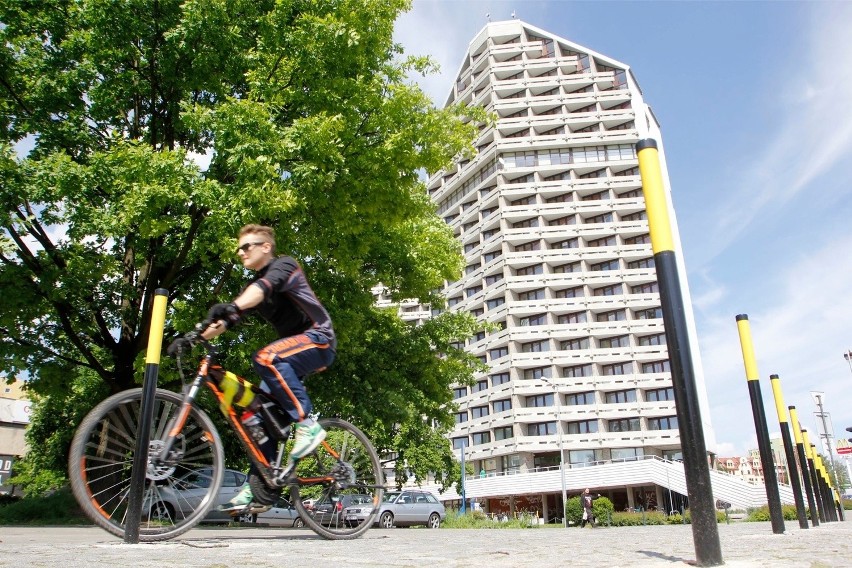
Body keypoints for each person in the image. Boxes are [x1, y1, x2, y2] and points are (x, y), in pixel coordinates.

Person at [189, 224, 336, 512]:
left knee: (266, 357)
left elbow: (261, 290)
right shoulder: (251, 288)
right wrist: (194, 336)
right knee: (254, 413)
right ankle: (261, 485)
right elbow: (229, 319)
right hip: (294, 354)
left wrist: (231, 306)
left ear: (265, 247)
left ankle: (308, 426)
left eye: (247, 246)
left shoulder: (285, 266)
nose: (241, 252)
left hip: (319, 339)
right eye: (239, 248)